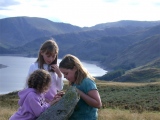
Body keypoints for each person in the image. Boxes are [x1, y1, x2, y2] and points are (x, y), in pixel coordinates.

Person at [59, 54, 102, 120]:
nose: (64, 76)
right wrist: (66, 96)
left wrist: (79, 93)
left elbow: (98, 104)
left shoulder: (87, 82)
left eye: (66, 73)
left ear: (75, 68)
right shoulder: (74, 82)